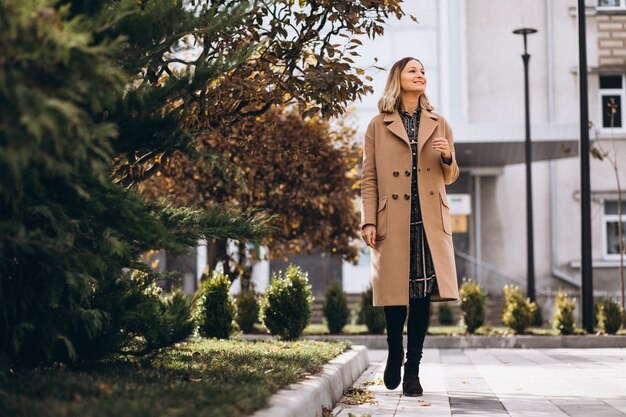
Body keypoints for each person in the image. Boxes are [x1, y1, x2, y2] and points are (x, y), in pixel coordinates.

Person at [360, 57, 460, 397]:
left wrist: (448, 157)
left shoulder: (439, 122)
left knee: (421, 295)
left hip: (428, 220)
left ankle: (413, 369)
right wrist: (368, 220)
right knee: (394, 293)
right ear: (397, 79)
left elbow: (450, 175)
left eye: (422, 71)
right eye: (412, 71)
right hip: (394, 218)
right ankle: (394, 352)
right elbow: (369, 179)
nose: (420, 75)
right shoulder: (378, 124)